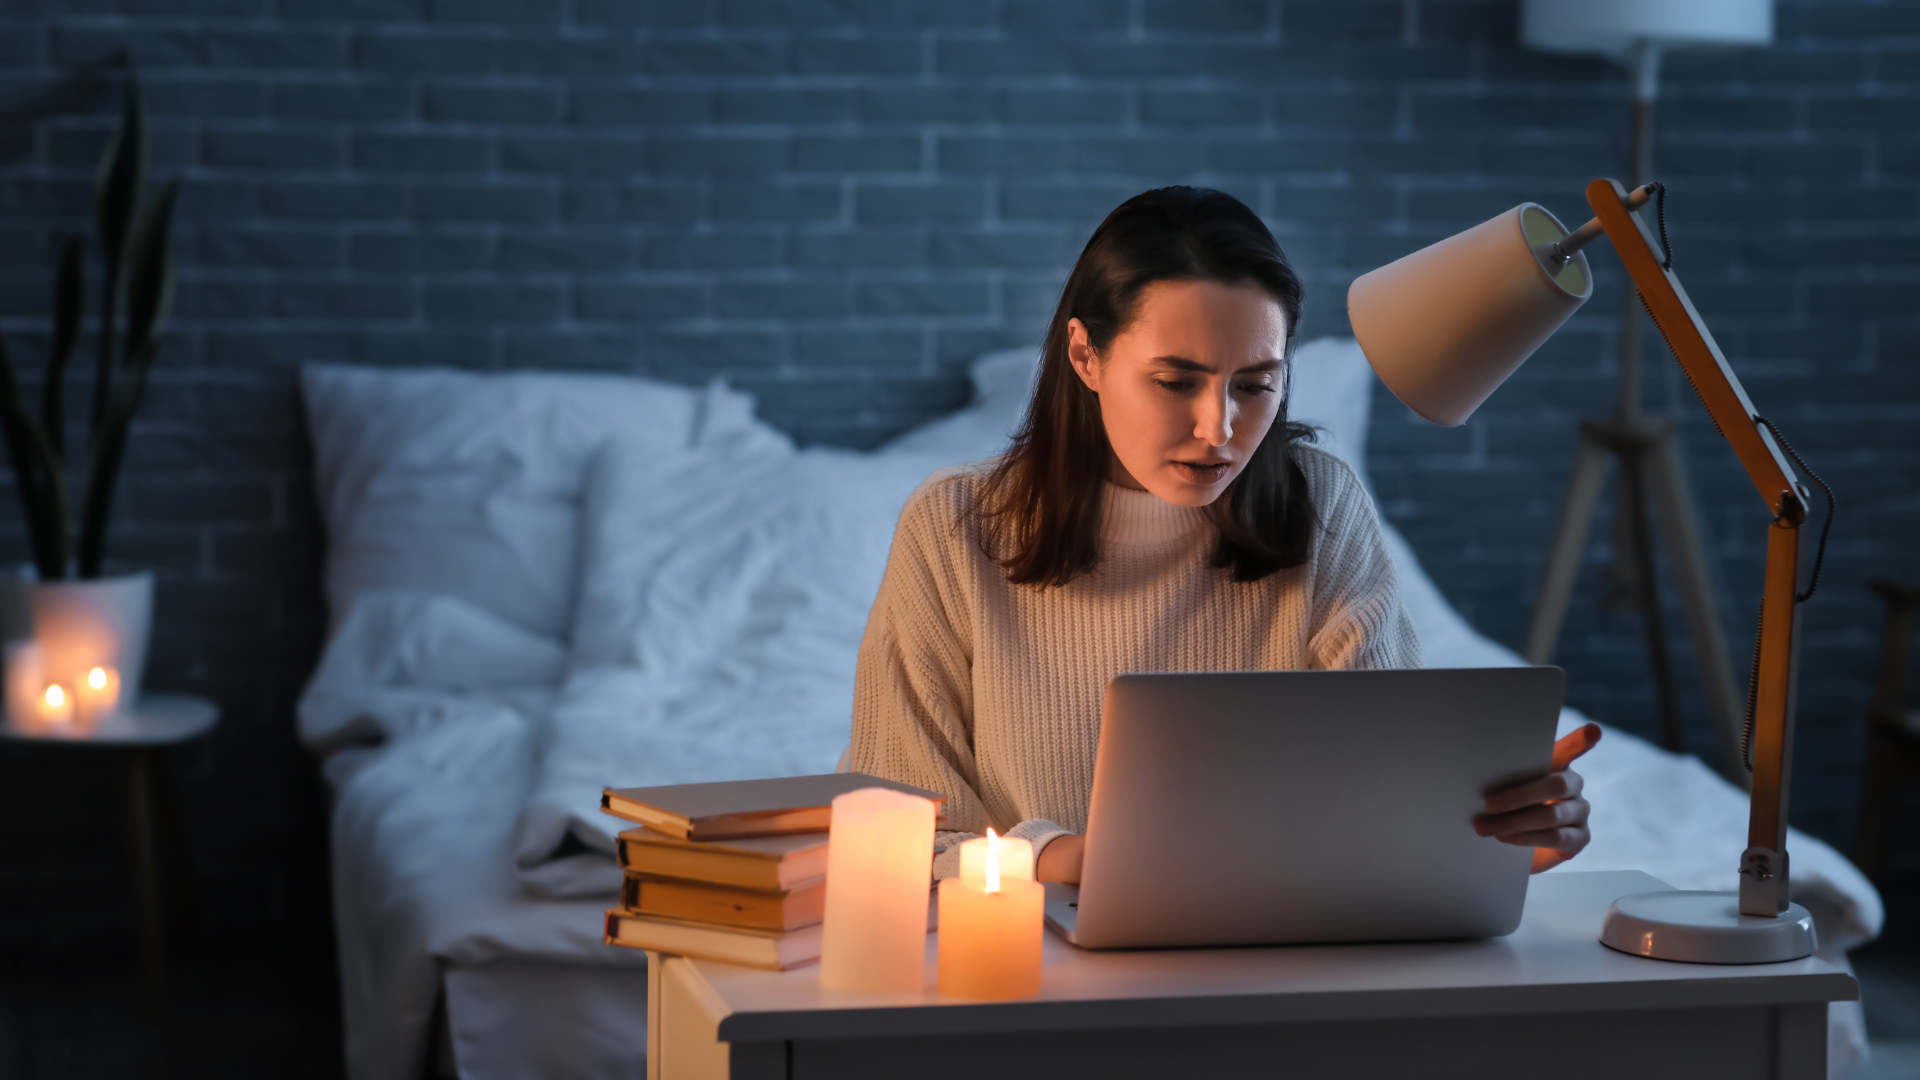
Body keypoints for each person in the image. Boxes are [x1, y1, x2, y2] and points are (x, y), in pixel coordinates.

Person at [850, 186, 1597, 884]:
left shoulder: (1321, 503)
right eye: (1176, 382)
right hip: (1038, 965)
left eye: (1254, 384)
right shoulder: (955, 529)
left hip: (1283, 963)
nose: (1220, 430)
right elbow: (905, 836)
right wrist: (1073, 858)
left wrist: (1492, 837)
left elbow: (1383, 804)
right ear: (1085, 356)